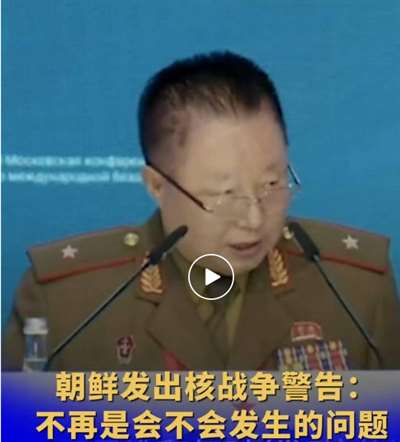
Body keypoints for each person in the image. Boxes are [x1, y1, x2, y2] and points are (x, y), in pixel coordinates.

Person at [3, 51, 400, 371]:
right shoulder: (67, 304)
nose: (254, 220)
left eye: (272, 184)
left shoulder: (355, 290)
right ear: (157, 186)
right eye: (223, 195)